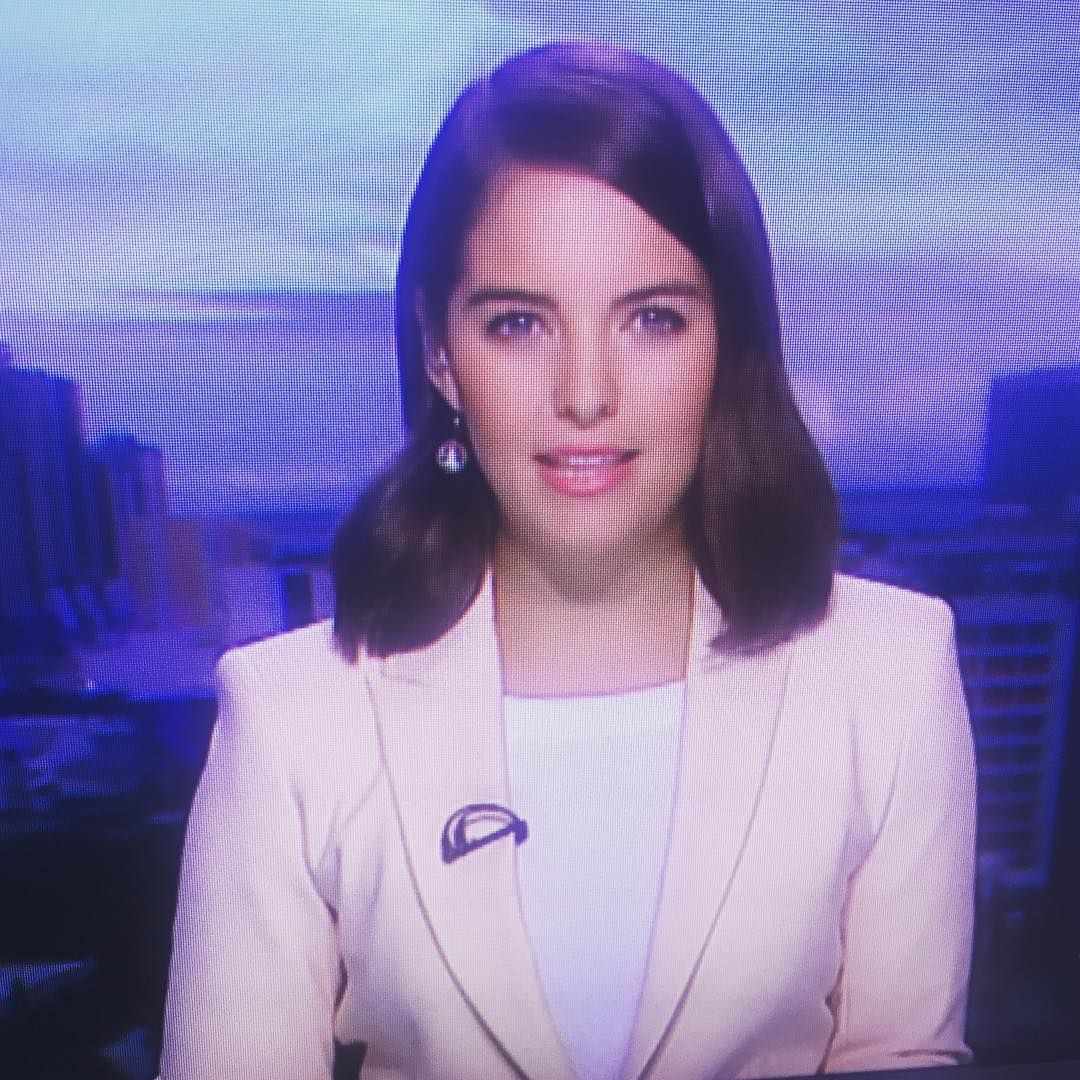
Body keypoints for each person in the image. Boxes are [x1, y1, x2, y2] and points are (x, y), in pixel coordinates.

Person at [158, 40, 977, 1080]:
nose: (586, 393)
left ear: (727, 341)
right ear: (441, 354)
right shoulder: (291, 717)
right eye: (518, 323)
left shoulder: (891, 672)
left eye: (652, 318)